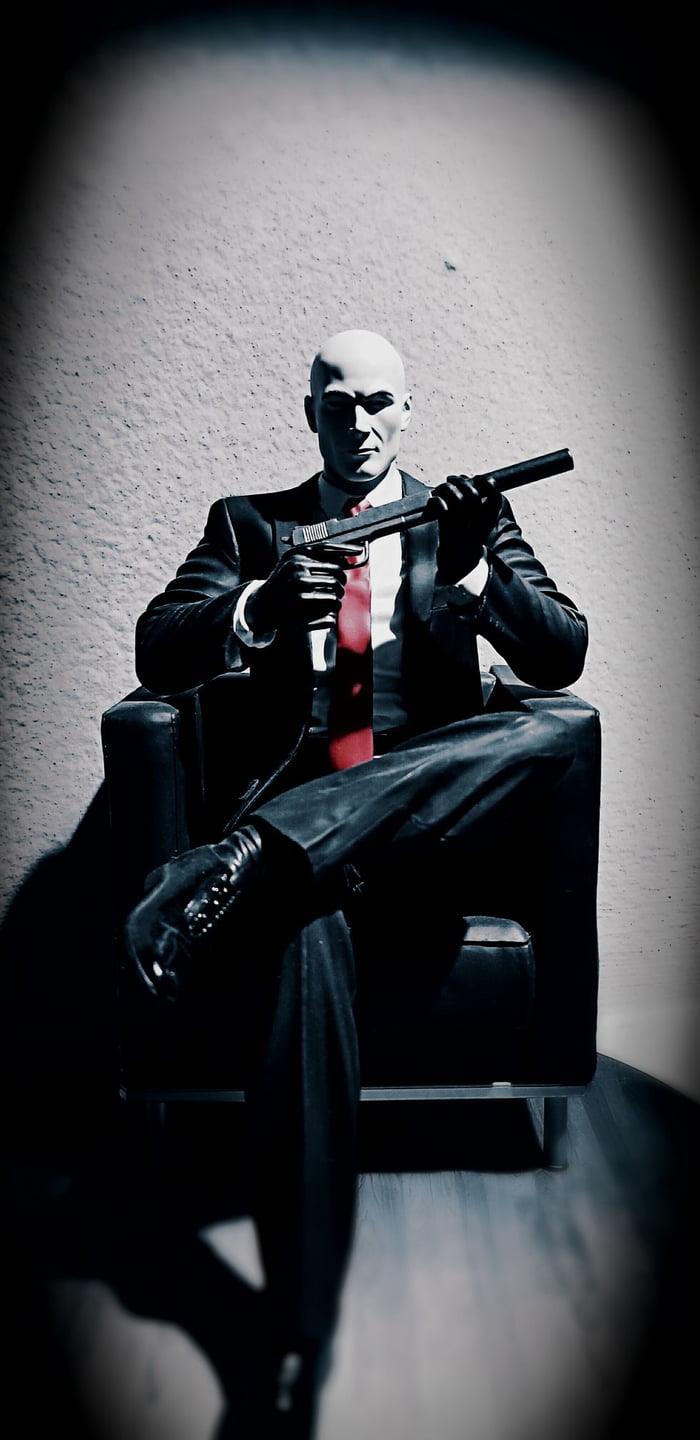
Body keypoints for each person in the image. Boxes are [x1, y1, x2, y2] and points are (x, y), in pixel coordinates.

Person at [124, 328, 587, 1435]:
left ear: (408, 411)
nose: (362, 421)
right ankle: (295, 1342)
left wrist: (472, 575)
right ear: (311, 414)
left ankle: (249, 853)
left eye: (381, 402)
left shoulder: (467, 519)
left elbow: (562, 653)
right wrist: (258, 608)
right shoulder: (249, 526)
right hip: (313, 857)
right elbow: (156, 648)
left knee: (557, 732)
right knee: (299, 926)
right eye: (341, 403)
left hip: (427, 837)